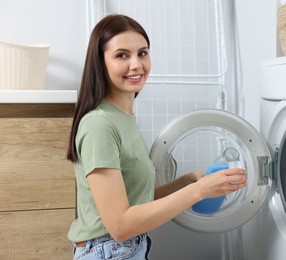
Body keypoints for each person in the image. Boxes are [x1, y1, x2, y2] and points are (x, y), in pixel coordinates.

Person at [66, 14, 247, 260]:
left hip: (124, 249)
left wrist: (188, 181)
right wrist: (199, 191)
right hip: (108, 252)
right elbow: (120, 225)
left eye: (142, 53)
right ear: (100, 62)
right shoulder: (99, 124)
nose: (136, 65)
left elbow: (134, 200)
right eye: (122, 55)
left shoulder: (123, 118)